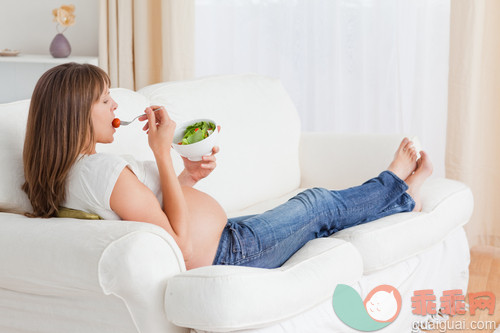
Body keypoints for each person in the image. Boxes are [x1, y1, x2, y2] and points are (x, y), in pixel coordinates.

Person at [22, 63, 433, 270]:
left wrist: (186, 177)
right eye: (104, 100)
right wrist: (162, 153)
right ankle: (395, 183)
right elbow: (175, 242)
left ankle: (397, 198)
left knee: (317, 211)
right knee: (318, 203)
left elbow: (152, 211)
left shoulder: (72, 175)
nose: (115, 105)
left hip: (230, 237)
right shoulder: (102, 173)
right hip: (231, 252)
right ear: (74, 113)